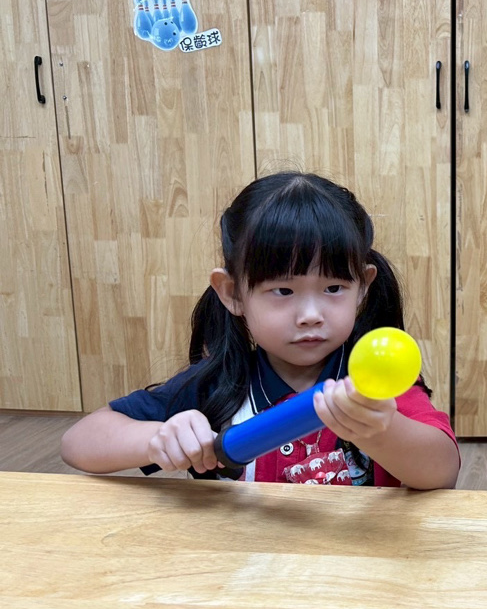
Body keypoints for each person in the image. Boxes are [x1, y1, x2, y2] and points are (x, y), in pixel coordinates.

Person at [62, 172, 460, 489]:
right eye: (283, 291)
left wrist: (380, 431)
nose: (310, 315)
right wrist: (157, 439)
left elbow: (442, 471)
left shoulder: (375, 386)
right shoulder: (218, 386)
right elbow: (78, 442)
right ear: (232, 293)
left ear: (363, 289)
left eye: (334, 288)